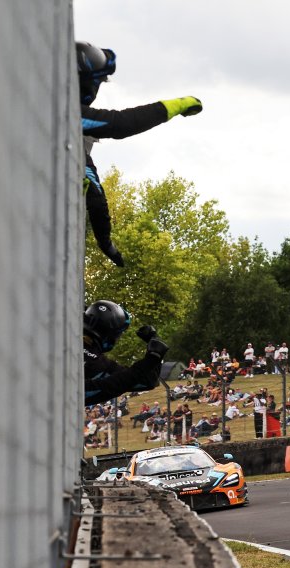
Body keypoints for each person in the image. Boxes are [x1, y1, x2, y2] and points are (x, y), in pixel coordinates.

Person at [77, 42, 203, 266]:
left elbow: (96, 197)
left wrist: (105, 242)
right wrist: (175, 106)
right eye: (98, 82)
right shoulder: (65, 112)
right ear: (86, 81)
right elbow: (119, 124)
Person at [83, 300, 169, 405]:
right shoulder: (100, 364)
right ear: (110, 334)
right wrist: (153, 356)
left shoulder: (66, 338)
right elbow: (147, 381)